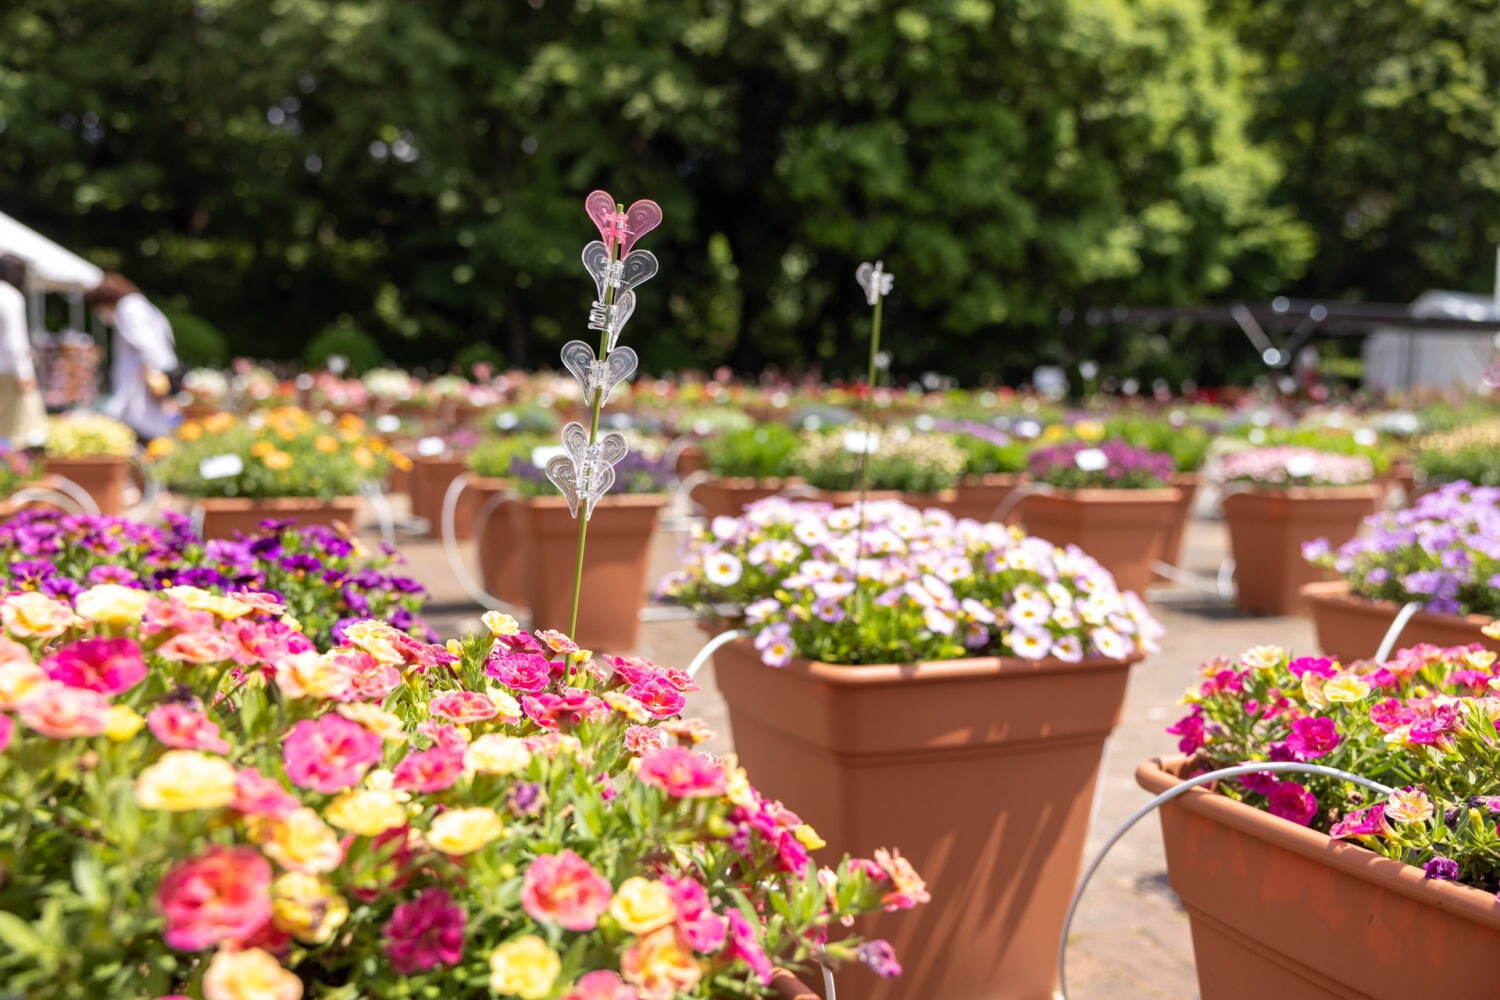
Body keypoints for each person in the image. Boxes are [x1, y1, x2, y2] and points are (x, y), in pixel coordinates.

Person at [85, 271, 178, 441]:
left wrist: (150, 373)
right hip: (151, 375)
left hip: (142, 380)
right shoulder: (138, 304)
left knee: (143, 427)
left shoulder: (128, 309)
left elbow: (146, 345)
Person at [0, 254, 47, 445]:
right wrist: (25, 374)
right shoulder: (10, 296)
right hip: (7, 371)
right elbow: (15, 341)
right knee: (15, 428)